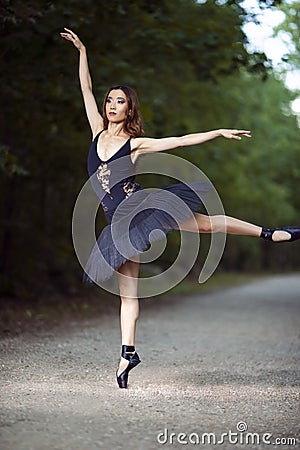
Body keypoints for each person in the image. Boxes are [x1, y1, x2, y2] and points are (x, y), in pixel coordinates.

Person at [60, 28, 300, 389]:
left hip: (142, 208)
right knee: (129, 292)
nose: (111, 105)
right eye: (109, 100)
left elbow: (181, 140)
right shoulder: (96, 132)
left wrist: (217, 132)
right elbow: (84, 89)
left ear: (130, 108)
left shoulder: (135, 144)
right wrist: (82, 51)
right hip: (118, 223)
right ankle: (127, 354)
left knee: (203, 226)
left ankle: (268, 233)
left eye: (120, 101)